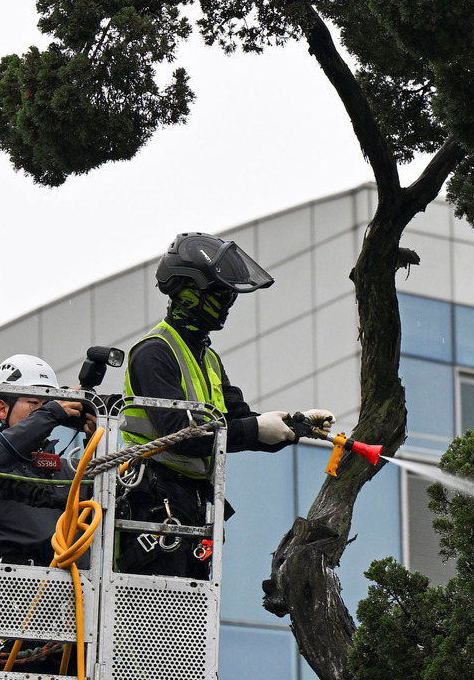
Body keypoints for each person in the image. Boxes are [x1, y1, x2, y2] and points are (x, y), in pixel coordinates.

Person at [119, 232, 334, 579]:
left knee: (192, 620)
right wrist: (256, 429)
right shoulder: (154, 352)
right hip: (153, 503)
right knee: (156, 615)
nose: (228, 304)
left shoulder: (208, 357)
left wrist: (294, 426)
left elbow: (238, 421)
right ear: (188, 292)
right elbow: (179, 436)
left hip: (191, 503)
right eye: (220, 294)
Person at [0, 353, 95, 672]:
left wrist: (94, 432)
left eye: (47, 404)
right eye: (34, 402)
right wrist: (52, 413)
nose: (43, 410)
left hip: (67, 606)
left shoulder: (68, 468)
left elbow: (101, 504)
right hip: (7, 604)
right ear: (2, 408)